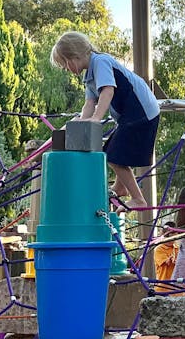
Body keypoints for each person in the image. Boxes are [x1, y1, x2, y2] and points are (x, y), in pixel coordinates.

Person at [51, 31, 160, 210]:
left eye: (65, 64)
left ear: (74, 57)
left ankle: (138, 198)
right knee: (111, 149)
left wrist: (95, 119)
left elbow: (107, 90)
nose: (66, 69)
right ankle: (120, 187)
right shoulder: (89, 77)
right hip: (131, 115)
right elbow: (89, 103)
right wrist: (83, 120)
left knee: (114, 156)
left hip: (141, 111)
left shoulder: (100, 62)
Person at [153, 221, 178, 289]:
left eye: (174, 239)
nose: (171, 241)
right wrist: (170, 260)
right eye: (169, 239)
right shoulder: (159, 249)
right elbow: (166, 262)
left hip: (176, 286)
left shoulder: (177, 248)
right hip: (162, 287)